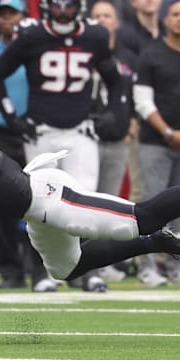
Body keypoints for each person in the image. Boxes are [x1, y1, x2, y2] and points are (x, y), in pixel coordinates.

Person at [0, 78, 180, 284]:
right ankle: (156, 242)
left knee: (140, 218)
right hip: (33, 212)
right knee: (66, 269)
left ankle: (151, 233)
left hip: (48, 195)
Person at [0, 0, 127, 291]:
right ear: (49, 7)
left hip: (80, 130)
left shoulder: (96, 36)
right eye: (58, 5)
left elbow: (115, 80)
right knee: (39, 201)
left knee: (87, 201)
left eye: (69, 5)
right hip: (41, 132)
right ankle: (40, 272)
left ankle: (86, 271)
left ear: (80, 7)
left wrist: (111, 113)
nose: (64, 11)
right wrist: (12, 117)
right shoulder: (32, 35)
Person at [0, 0, 56, 292]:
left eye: (13, 14)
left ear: (24, 17)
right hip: (0, 134)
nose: (8, 21)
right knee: (0, 203)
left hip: (36, 132)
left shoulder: (38, 53)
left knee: (42, 201)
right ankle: (10, 271)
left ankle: (41, 270)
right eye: (3, 15)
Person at [90, 0, 138, 282]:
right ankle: (82, 261)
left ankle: (104, 262)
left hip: (118, 139)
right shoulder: (83, 52)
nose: (102, 20)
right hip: (88, 139)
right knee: (84, 202)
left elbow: (135, 95)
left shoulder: (129, 57)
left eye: (107, 15)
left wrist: (131, 125)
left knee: (110, 205)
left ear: (116, 22)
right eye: (96, 15)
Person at [133, 0, 180, 286]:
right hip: (155, 142)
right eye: (175, 14)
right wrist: (168, 132)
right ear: (166, 20)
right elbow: (142, 101)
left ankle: (177, 269)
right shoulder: (151, 54)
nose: (179, 20)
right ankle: (147, 267)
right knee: (150, 207)